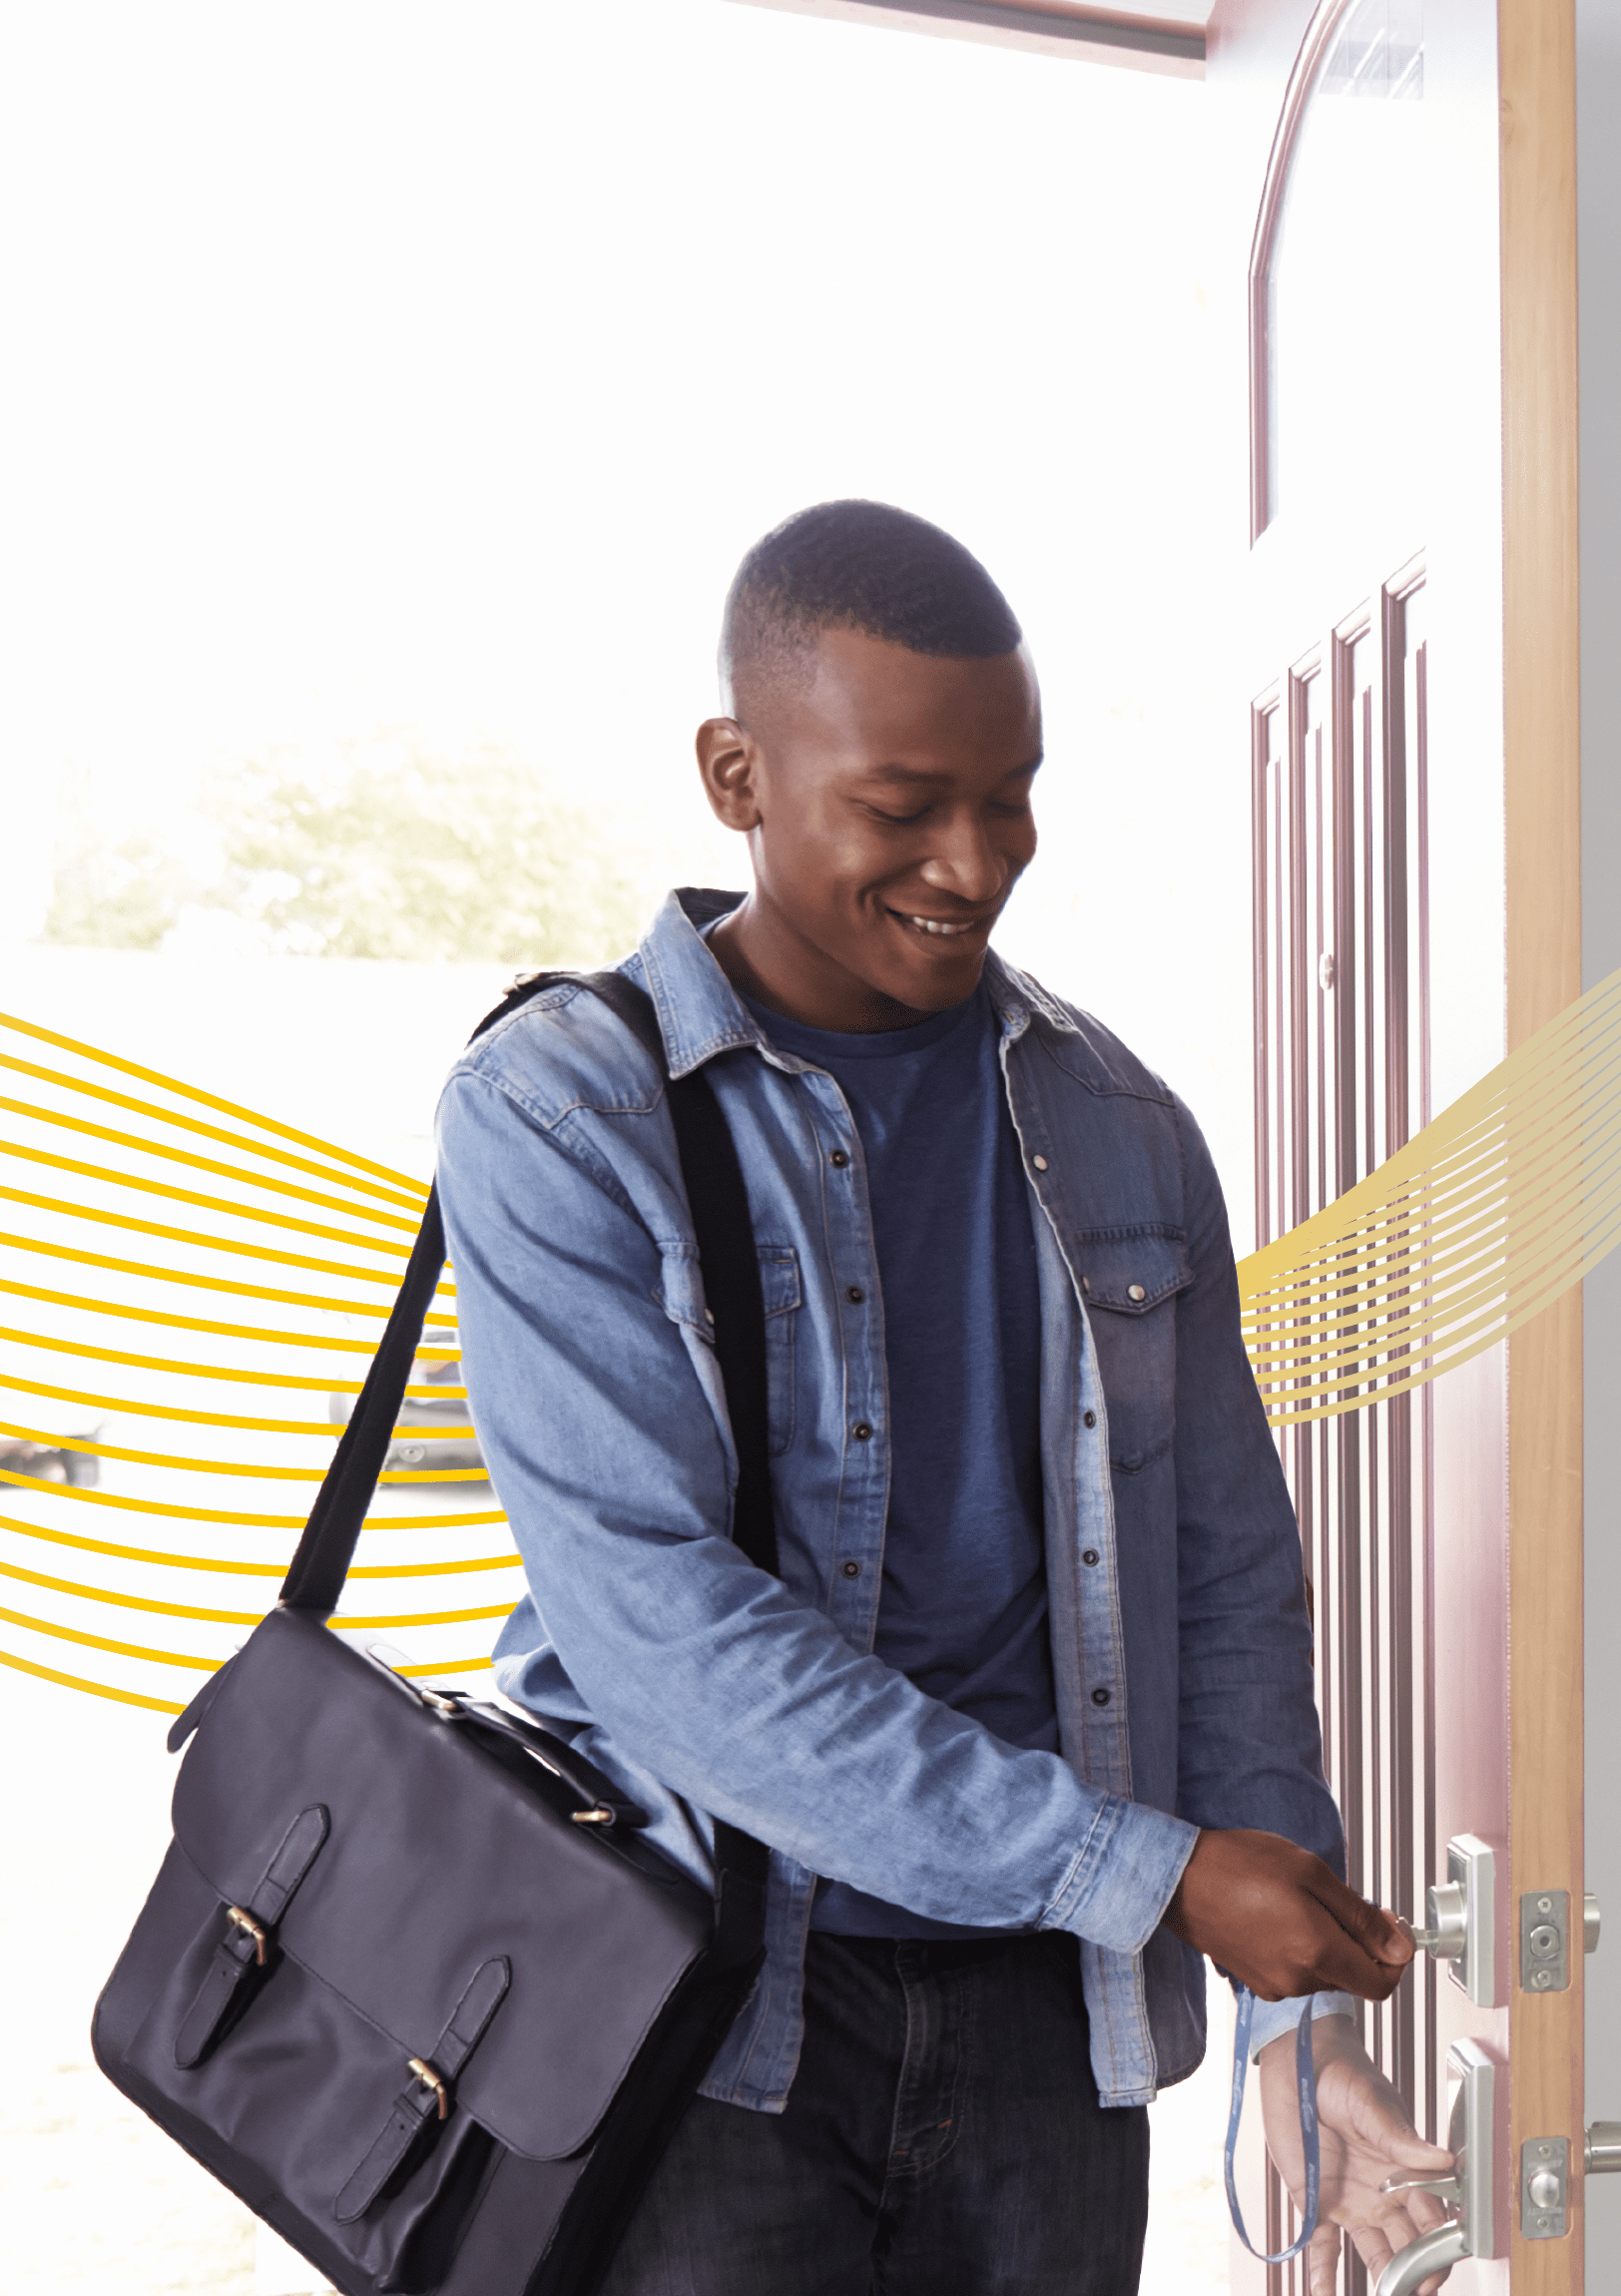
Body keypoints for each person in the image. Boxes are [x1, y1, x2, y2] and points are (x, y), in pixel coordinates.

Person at [435, 499, 1452, 2293]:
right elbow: (661, 1631)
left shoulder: (1119, 1126)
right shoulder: (561, 1109)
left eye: (1011, 797)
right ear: (737, 773)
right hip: (708, 2016)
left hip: (1040, 2032)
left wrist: (1302, 2038)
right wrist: (1140, 1872)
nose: (973, 863)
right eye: (903, 809)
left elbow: (1220, 1582)